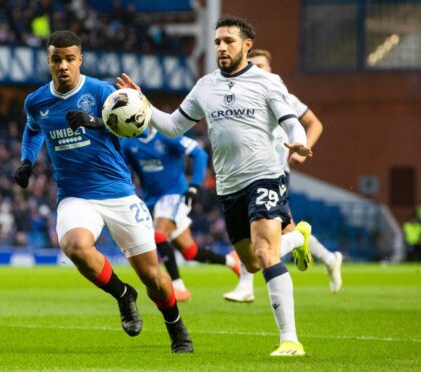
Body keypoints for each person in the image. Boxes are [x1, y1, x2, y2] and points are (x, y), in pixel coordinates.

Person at [115, 16, 313, 357]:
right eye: (218, 42)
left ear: (246, 45)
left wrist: (298, 141)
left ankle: (290, 340)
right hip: (229, 187)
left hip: (265, 175)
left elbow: (291, 121)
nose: (221, 47)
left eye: (229, 41)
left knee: (266, 253)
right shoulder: (205, 85)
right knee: (252, 262)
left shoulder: (267, 82)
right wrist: (143, 105)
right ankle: (298, 237)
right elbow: (175, 126)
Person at [14, 30, 192, 353]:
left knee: (153, 277)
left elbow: (135, 129)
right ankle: (124, 295)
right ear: (48, 61)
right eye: (57, 59)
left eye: (70, 59)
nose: (64, 66)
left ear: (80, 59)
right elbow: (32, 128)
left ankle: (176, 326)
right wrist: (27, 161)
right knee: (75, 247)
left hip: (118, 193)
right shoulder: (36, 101)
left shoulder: (101, 91)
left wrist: (94, 121)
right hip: (75, 195)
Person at [222, 49, 343, 303]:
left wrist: (302, 150)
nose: (257, 69)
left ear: (271, 69)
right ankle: (330, 258)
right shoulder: (241, 95)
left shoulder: (283, 95)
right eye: (252, 64)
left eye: (262, 65)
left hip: (273, 172)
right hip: (249, 173)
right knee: (287, 231)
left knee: (258, 230)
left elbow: (315, 123)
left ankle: (246, 285)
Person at [121, 128, 241, 301]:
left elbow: (199, 154)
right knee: (190, 252)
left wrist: (195, 185)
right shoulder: (128, 143)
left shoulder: (167, 136)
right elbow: (124, 168)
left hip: (176, 194)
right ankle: (231, 261)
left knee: (159, 236)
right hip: (153, 200)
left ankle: (177, 287)